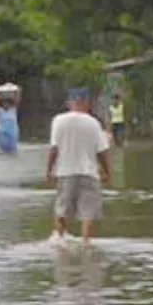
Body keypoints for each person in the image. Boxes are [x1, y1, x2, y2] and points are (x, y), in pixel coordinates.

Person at [47, 88, 112, 246]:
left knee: (62, 209)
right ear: (87, 103)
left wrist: (49, 170)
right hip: (89, 173)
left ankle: (60, 240)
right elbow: (102, 152)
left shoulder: (58, 121)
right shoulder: (93, 123)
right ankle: (86, 243)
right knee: (88, 213)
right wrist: (107, 172)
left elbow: (54, 148)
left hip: (65, 172)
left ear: (69, 103)